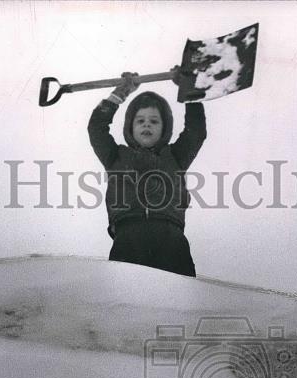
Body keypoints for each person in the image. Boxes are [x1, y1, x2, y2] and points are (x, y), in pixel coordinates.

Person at [87, 71, 207, 277]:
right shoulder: (115, 156)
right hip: (128, 237)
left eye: (154, 121)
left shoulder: (176, 156)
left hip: (171, 237)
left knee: (177, 298)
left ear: (165, 128)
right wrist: (120, 93)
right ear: (130, 127)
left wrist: (189, 92)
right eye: (140, 121)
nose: (147, 124)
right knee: (126, 298)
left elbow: (196, 132)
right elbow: (96, 128)